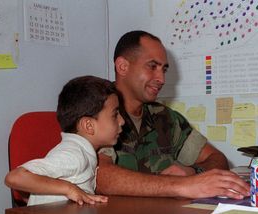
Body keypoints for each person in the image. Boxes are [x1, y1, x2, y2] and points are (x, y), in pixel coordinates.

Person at [96, 30, 250, 199]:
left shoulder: (164, 117)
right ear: (122, 66)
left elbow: (217, 158)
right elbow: (100, 176)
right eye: (152, 66)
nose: (161, 79)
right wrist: (181, 186)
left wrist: (193, 172)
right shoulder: (96, 111)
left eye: (164, 69)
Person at [5, 76, 125, 206]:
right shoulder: (74, 155)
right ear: (88, 126)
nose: (122, 121)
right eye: (115, 115)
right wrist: (69, 189)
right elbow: (15, 177)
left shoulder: (85, 152)